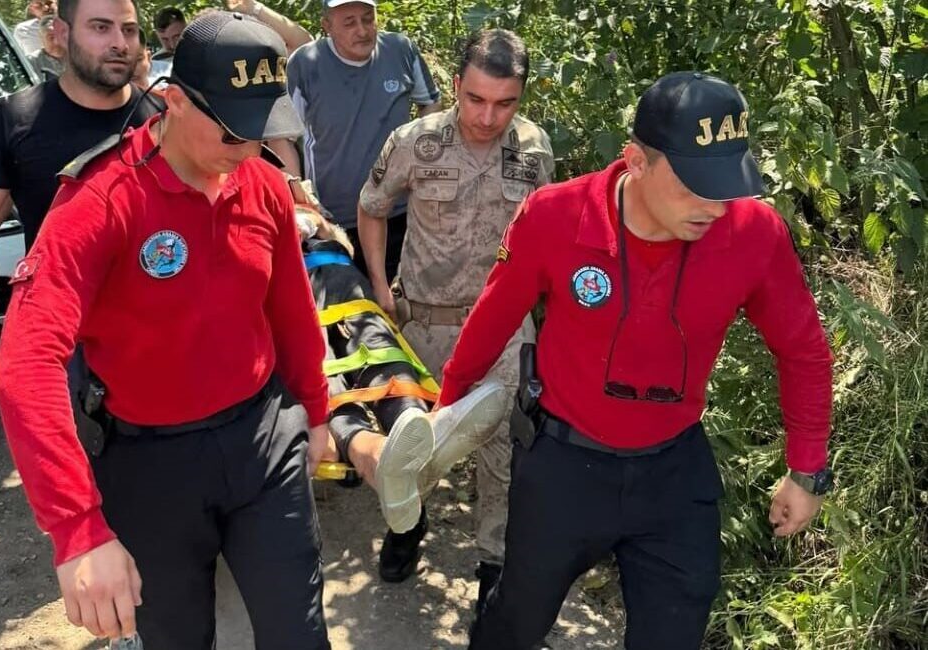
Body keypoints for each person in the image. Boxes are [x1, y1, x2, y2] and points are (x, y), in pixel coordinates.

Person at [437, 71, 835, 649]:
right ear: (637, 162)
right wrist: (442, 415)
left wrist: (807, 468)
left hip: (673, 470)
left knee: (675, 632)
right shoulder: (554, 216)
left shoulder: (754, 233)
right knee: (516, 619)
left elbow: (803, 351)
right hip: (563, 465)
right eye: (697, 186)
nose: (716, 208)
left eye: (727, 187)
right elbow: (492, 321)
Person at [0, 12, 332, 649]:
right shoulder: (101, 200)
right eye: (232, 128)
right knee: (175, 636)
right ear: (174, 101)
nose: (249, 146)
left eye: (261, 126)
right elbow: (26, 362)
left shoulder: (260, 183)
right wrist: (78, 529)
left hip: (265, 443)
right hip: (154, 464)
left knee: (299, 631)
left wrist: (314, 411)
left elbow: (290, 309)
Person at [357, 28, 554, 612]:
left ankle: (494, 562)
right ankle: (406, 527)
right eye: (476, 99)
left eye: (505, 102)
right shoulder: (415, 141)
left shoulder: (534, 148)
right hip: (424, 329)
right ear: (455, 87)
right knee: (416, 443)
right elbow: (371, 210)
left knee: (503, 456)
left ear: (521, 97)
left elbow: (548, 230)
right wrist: (377, 287)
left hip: (504, 331)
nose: (489, 116)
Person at [294, 200, 507, 581]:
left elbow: (333, 232)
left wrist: (309, 224)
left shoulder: (279, 190)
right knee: (320, 372)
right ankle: (381, 456)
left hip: (339, 276)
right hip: (282, 292)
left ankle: (409, 427)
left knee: (379, 349)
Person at [0, 0, 159, 296]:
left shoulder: (167, 121)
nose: (120, 43)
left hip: (157, 327)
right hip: (56, 328)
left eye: (129, 30)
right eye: (101, 27)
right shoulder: (11, 121)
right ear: (61, 33)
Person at [286, 0, 442, 280]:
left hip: (401, 211)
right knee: (349, 313)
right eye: (349, 22)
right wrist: (299, 198)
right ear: (327, 26)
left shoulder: (400, 50)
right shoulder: (304, 65)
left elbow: (430, 103)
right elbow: (283, 136)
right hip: (334, 219)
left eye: (368, 19)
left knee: (401, 304)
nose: (362, 30)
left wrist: (421, 155)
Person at [26, 13, 65, 81]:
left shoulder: (80, 57)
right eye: (51, 37)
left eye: (60, 36)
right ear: (41, 38)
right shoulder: (31, 62)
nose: (57, 42)